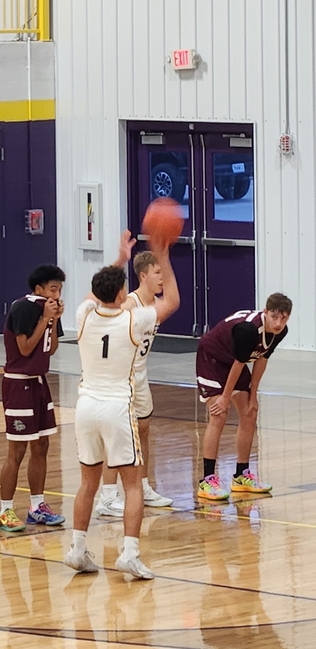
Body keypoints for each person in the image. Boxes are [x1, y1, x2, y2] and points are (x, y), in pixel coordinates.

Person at [65, 241, 180, 579]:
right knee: (132, 484)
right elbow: (172, 301)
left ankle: (77, 548)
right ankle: (129, 552)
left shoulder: (83, 314)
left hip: (85, 406)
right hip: (116, 408)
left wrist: (119, 260)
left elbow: (93, 291)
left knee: (88, 483)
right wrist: (165, 258)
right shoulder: (133, 319)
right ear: (119, 295)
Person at [95, 248, 180, 517]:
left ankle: (143, 487)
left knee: (143, 430)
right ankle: (107, 496)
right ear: (143, 276)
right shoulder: (129, 305)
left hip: (140, 374)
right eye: (158, 273)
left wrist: (165, 258)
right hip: (122, 376)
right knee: (120, 435)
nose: (162, 278)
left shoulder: (153, 306)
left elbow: (172, 302)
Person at [195, 294, 292, 501]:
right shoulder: (249, 330)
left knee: (250, 412)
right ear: (265, 313)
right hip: (212, 358)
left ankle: (241, 475)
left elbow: (261, 360)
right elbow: (239, 364)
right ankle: (207, 480)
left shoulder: (280, 332)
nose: (278, 323)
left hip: (233, 362)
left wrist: (253, 396)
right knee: (219, 414)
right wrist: (223, 397)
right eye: (274, 317)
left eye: (283, 318)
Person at [0, 265, 67, 533]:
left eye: (60, 289)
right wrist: (44, 320)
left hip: (39, 383)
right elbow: (25, 348)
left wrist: (52, 321)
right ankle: (5, 509)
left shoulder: (48, 309)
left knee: (42, 445)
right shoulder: (23, 309)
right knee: (17, 449)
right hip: (18, 384)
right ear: (38, 288)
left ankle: (36, 507)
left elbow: (50, 349)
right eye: (53, 288)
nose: (57, 293)